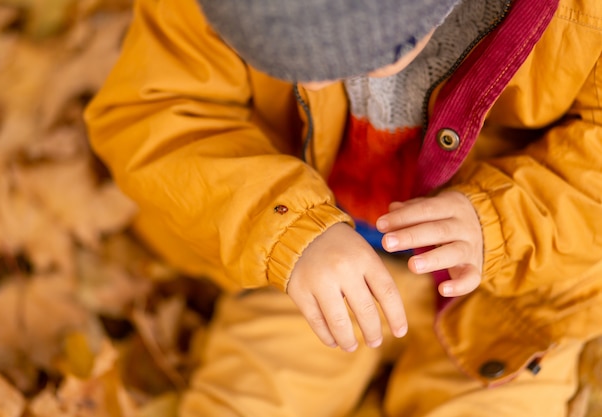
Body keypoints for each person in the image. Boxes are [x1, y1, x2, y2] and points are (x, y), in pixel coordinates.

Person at [84, 0, 602, 415]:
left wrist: (501, 223)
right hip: (313, 271)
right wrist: (288, 229)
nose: (308, 84)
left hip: (513, 289)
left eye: (352, 61)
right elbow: (158, 116)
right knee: (247, 400)